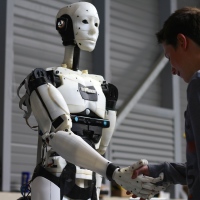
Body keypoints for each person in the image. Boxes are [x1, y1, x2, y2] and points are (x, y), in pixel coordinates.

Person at [17, 2, 164, 200]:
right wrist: (113, 171)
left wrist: (109, 171)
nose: (93, 30)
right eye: (85, 21)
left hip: (92, 178)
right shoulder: (44, 78)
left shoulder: (103, 87)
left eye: (97, 24)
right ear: (65, 25)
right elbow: (58, 134)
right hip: (54, 175)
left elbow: (101, 147)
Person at [130, 6, 200, 200]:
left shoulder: (198, 84)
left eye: (169, 57)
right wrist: (160, 172)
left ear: (182, 41)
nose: (173, 70)